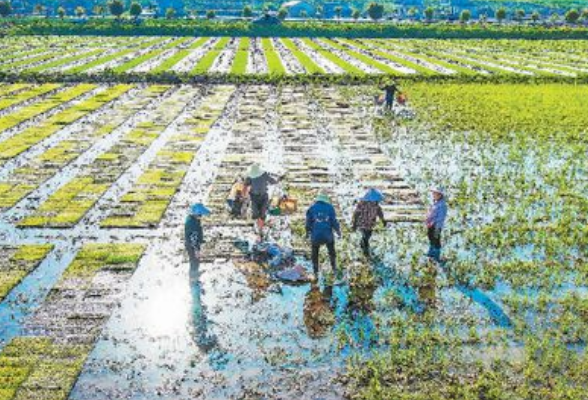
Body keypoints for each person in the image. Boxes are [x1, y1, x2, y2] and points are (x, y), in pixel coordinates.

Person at [306, 192, 342, 284]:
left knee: (315, 253)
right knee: (331, 251)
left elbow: (308, 224)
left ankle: (315, 271)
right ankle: (334, 268)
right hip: (328, 236)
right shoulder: (330, 208)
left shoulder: (311, 208)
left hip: (316, 236)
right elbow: (334, 221)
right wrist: (338, 231)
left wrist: (307, 233)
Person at [244, 163, 280, 233]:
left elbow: (272, 181)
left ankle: (260, 229)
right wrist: (243, 195)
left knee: (262, 213)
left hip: (263, 196)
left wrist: (277, 180)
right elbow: (245, 185)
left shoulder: (264, 174)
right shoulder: (249, 177)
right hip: (254, 197)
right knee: (255, 213)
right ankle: (258, 227)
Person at [352, 188, 386, 257]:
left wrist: (383, 220)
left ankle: (363, 243)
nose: (375, 202)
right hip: (362, 222)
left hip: (370, 223)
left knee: (368, 234)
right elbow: (356, 214)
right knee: (366, 236)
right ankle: (365, 249)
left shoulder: (377, 206)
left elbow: (380, 213)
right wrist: (354, 223)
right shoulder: (361, 205)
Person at [185, 203, 211, 267]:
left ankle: (195, 272)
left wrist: (201, 240)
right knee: (194, 260)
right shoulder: (192, 223)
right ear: (196, 214)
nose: (201, 216)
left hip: (194, 243)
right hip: (191, 245)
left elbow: (198, 231)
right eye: (200, 215)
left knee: (196, 259)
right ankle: (194, 274)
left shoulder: (195, 219)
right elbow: (193, 238)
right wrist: (196, 249)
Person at [425, 187, 448, 262]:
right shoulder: (435, 202)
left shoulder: (442, 205)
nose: (433, 195)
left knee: (436, 238)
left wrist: (434, 224)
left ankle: (436, 254)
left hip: (436, 226)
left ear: (440, 195)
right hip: (431, 224)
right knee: (430, 236)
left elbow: (440, 218)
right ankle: (431, 251)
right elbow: (431, 212)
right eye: (433, 193)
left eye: (435, 193)